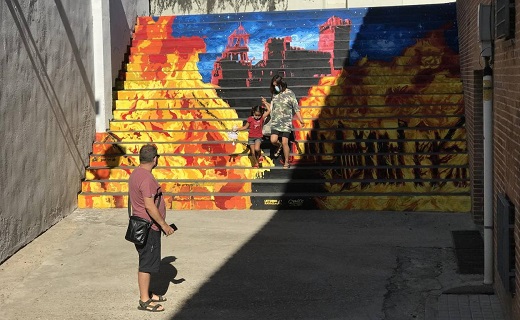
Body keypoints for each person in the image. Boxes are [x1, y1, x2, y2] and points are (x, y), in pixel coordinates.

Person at [128, 144, 175, 312]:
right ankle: (144, 300)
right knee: (146, 263)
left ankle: (147, 293)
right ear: (155, 159)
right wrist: (164, 225)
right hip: (148, 227)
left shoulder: (137, 173)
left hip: (141, 225)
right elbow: (149, 206)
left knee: (147, 259)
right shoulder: (147, 179)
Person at [262, 75, 304, 168]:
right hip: (276, 121)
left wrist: (300, 119)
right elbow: (273, 108)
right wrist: (266, 103)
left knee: (285, 142)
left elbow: (296, 108)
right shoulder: (275, 94)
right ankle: (279, 146)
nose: (275, 87)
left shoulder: (290, 93)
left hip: (286, 122)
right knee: (273, 140)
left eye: (276, 85)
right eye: (274, 85)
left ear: (281, 84)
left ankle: (286, 162)